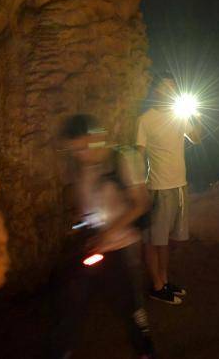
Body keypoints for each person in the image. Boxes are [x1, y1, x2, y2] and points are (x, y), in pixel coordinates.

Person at [53, 114, 155, 359]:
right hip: (94, 247)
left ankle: (146, 352)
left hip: (122, 248)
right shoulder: (81, 167)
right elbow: (85, 208)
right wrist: (80, 227)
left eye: (81, 147)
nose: (79, 155)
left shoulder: (123, 159)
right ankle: (60, 352)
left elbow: (142, 203)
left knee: (130, 310)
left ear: (94, 137)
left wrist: (108, 232)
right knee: (72, 305)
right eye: (74, 150)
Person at [136, 75, 202, 304]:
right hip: (158, 187)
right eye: (165, 86)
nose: (170, 90)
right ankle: (156, 285)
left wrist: (192, 113)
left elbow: (196, 138)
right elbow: (139, 154)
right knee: (154, 240)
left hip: (179, 186)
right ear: (155, 91)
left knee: (168, 239)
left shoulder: (178, 115)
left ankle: (163, 280)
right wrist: (138, 188)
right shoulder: (146, 120)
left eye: (173, 86)